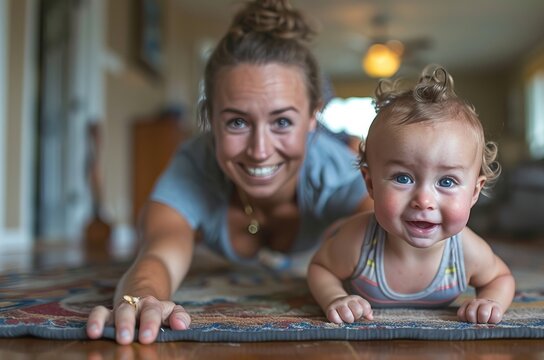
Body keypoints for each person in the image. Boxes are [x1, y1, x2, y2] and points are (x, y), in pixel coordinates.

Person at [86, 0, 372, 345]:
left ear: (313, 118)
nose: (260, 150)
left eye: (282, 121)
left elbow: (388, 254)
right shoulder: (193, 168)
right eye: (237, 122)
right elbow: (159, 253)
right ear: (210, 119)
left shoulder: (342, 175)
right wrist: (141, 298)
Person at [307, 64, 515, 325]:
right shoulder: (358, 243)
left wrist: (491, 301)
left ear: (474, 192)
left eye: (447, 181)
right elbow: (320, 268)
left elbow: (499, 278)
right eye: (403, 178)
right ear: (370, 184)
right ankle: (334, 227)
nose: (424, 201)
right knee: (336, 235)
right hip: (341, 235)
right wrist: (334, 297)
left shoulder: (466, 251)